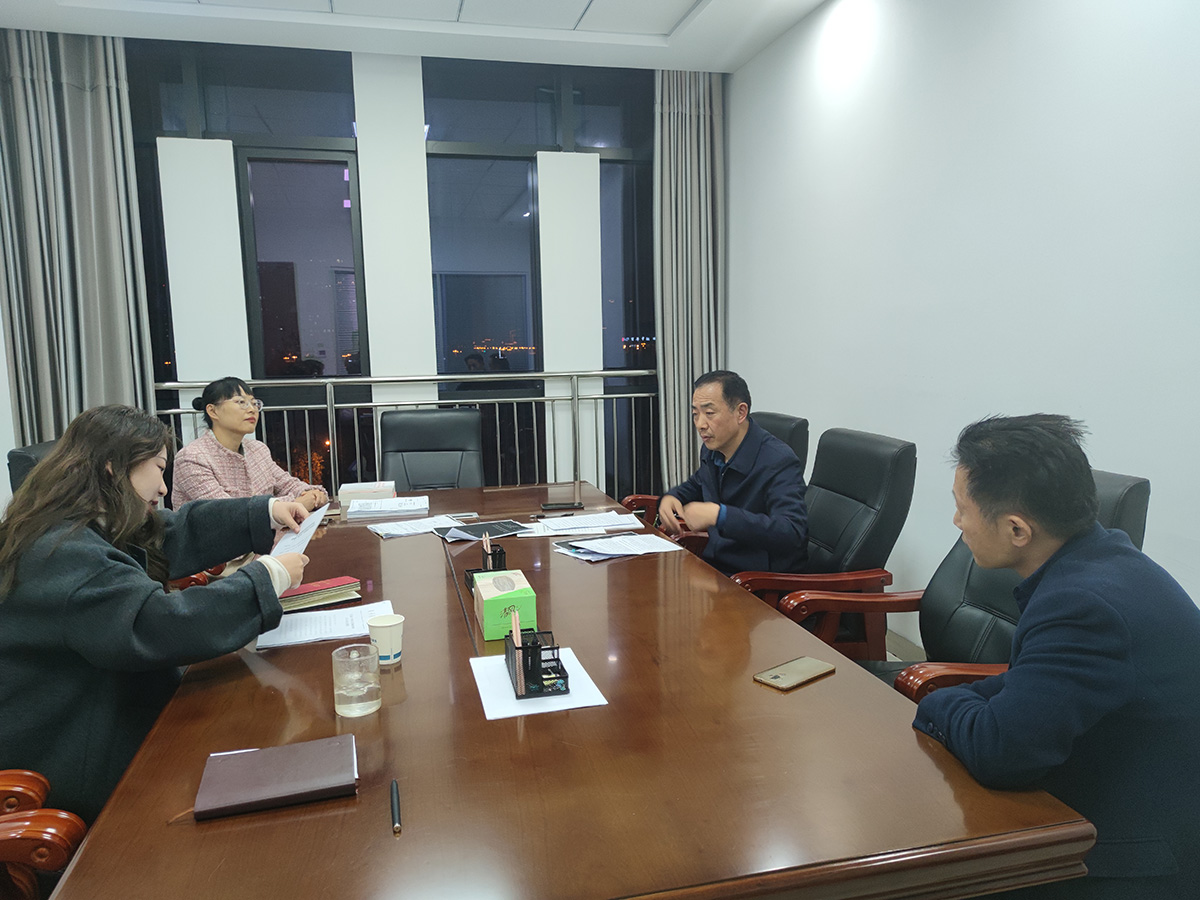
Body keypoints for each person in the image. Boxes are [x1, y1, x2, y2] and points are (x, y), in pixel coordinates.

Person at [913, 414, 1200, 899]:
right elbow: (1027, 682)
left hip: (1129, 856)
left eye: (962, 509)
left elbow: (1001, 753)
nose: (957, 523)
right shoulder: (1103, 557)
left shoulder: (1082, 606)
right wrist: (977, 700)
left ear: (1017, 529)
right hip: (1114, 784)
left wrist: (936, 701)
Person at [0, 405, 311, 824]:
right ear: (114, 466)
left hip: (114, 714)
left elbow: (169, 531)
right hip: (81, 759)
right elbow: (156, 624)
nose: (164, 488)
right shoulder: (60, 553)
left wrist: (264, 512)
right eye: (159, 469)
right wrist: (267, 577)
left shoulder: (76, 525)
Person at [658, 370, 807, 574]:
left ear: (740, 412)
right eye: (695, 414)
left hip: (756, 579)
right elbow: (699, 483)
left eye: (709, 413)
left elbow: (792, 532)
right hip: (716, 567)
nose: (700, 425)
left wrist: (720, 516)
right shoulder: (713, 449)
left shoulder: (778, 460)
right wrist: (673, 497)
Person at [171, 376, 328, 510]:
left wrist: (312, 494)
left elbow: (288, 485)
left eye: (254, 403)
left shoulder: (258, 450)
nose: (252, 409)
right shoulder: (192, 458)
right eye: (241, 402)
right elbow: (229, 513)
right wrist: (296, 504)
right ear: (213, 411)